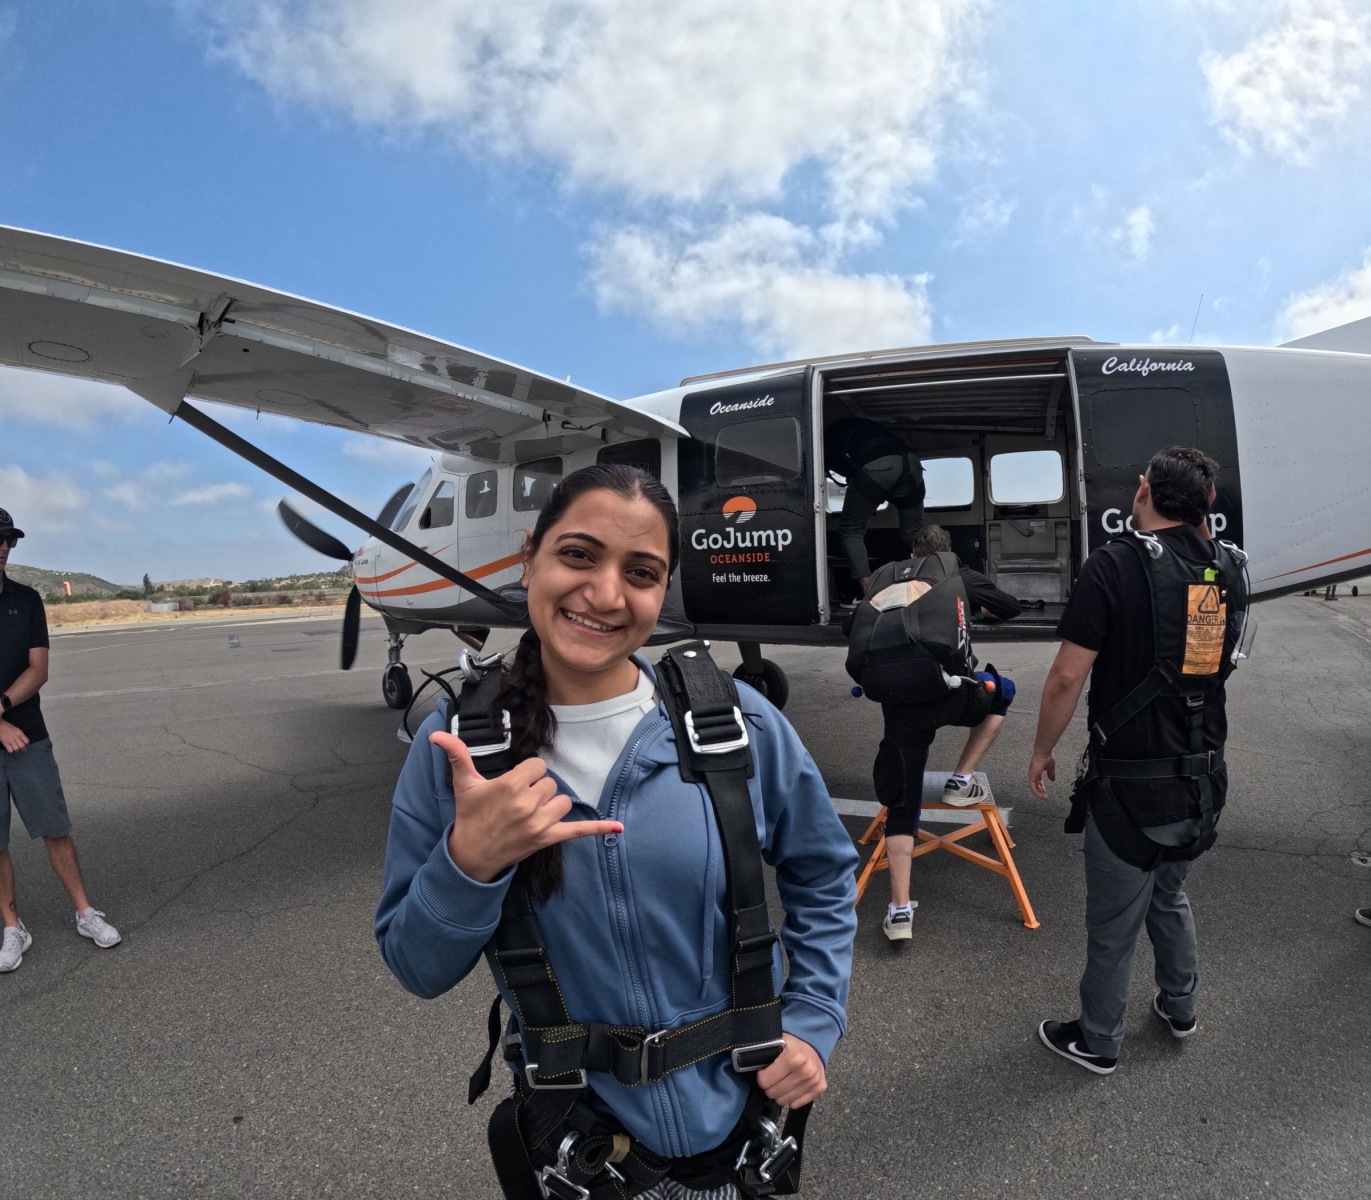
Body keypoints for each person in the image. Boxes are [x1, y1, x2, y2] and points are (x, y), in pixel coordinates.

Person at [374, 464, 858, 1199]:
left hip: (736, 1134)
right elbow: (417, 966)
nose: (604, 594)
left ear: (663, 590)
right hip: (582, 1151)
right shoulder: (457, 752)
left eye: (640, 572)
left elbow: (822, 870)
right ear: (529, 558)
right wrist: (469, 862)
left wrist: (813, 1015)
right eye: (578, 555)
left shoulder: (734, 724)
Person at [1028, 447, 1248, 1075]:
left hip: (1131, 790)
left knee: (1113, 925)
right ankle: (1181, 1006)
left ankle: (1098, 1041)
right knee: (1169, 894)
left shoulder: (1114, 563)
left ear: (1143, 488)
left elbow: (1066, 678)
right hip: (1202, 780)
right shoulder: (1227, 568)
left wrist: (1042, 750)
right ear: (1207, 502)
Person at [855, 524, 1021, 942]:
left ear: (913, 553)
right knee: (1004, 690)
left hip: (901, 705)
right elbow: (1010, 607)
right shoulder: (955, 573)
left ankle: (898, 912)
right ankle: (961, 780)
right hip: (956, 696)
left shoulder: (887, 578)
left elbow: (852, 630)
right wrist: (975, 611)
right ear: (948, 552)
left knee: (903, 803)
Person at [0, 507, 121, 975]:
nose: (4, 547)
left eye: (10, 539)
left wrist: (2, 709)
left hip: (28, 735)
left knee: (55, 828)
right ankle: (13, 926)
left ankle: (85, 912)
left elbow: (39, 669)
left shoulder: (27, 599)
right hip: (8, 730)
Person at [824, 416, 925, 597]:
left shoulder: (829, 434)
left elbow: (834, 461)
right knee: (914, 532)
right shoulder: (871, 427)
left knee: (851, 530)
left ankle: (869, 591)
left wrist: (856, 477)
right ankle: (933, 579)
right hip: (912, 463)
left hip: (880, 468)